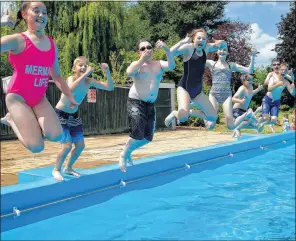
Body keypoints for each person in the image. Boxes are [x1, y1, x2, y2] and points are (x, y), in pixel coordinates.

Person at [0, 3, 77, 153]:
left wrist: (70, 96)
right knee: (37, 147)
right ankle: (10, 119)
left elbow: (57, 75)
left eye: (45, 12)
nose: (41, 15)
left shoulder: (51, 44)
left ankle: (29, 122)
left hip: (38, 98)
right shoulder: (18, 40)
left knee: (56, 135)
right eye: (36, 11)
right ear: (24, 14)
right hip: (18, 98)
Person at [52, 57, 114, 181]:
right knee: (67, 146)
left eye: (86, 65)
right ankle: (56, 169)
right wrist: (86, 74)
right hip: (61, 115)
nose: (84, 67)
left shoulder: (89, 81)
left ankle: (68, 167)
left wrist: (107, 72)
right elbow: (69, 90)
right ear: (74, 68)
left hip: (73, 116)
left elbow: (109, 87)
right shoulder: (71, 79)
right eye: (81, 65)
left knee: (80, 145)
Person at [119, 39, 175, 172]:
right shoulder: (137, 65)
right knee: (137, 133)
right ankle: (123, 154)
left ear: (152, 50)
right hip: (136, 101)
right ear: (139, 52)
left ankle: (127, 151)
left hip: (150, 104)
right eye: (143, 49)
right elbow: (129, 72)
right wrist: (141, 61)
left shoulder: (158, 64)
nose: (146, 50)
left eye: (148, 47)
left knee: (148, 138)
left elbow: (172, 66)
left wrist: (167, 50)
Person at [164, 28, 226, 130]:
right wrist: (182, 42)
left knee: (213, 117)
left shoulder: (206, 48)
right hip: (184, 88)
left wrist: (220, 42)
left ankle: (190, 112)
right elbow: (170, 52)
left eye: (204, 39)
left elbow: (222, 45)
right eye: (199, 38)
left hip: (197, 91)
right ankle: (175, 114)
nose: (201, 40)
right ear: (193, 39)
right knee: (183, 118)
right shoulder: (188, 48)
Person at [206, 44, 257, 130]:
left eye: (224, 50)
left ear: (228, 52)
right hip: (214, 94)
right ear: (217, 51)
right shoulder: (211, 63)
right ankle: (201, 108)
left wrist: (253, 56)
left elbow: (250, 70)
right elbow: (197, 60)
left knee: (231, 126)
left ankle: (247, 114)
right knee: (210, 126)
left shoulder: (231, 65)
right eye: (220, 49)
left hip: (226, 96)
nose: (222, 51)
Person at [257, 61, 295, 132]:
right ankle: (259, 119)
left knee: (274, 121)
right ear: (279, 69)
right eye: (274, 65)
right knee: (265, 117)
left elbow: (293, 92)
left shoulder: (285, 79)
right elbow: (268, 87)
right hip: (268, 99)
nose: (283, 71)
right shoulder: (272, 75)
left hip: (276, 101)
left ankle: (262, 123)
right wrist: (277, 83)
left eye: (285, 70)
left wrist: (293, 87)